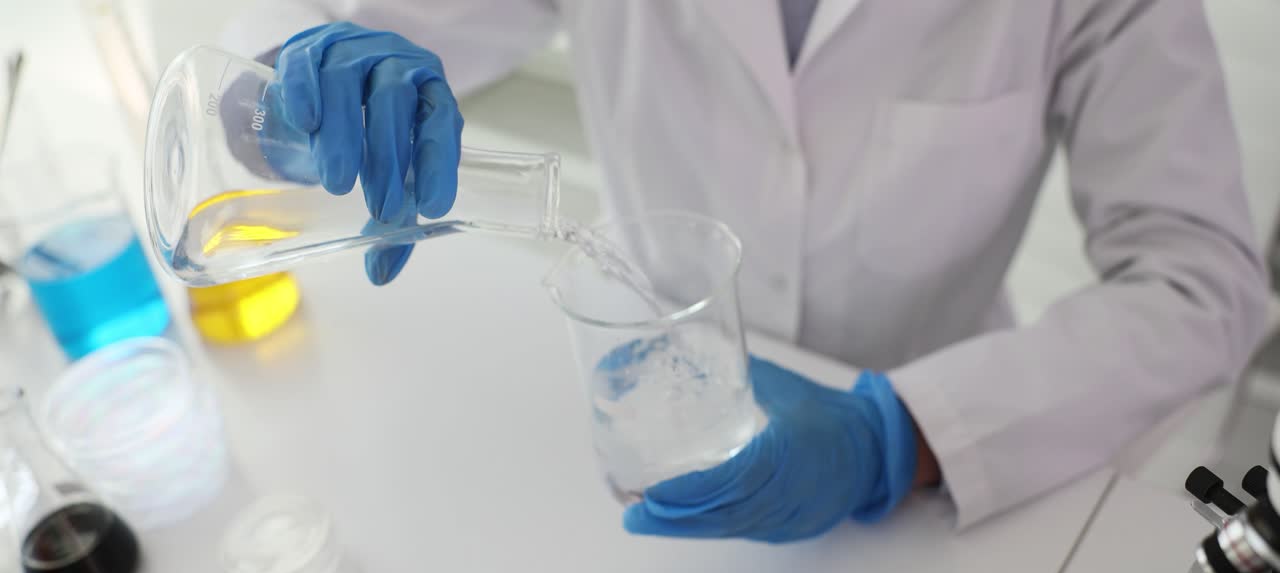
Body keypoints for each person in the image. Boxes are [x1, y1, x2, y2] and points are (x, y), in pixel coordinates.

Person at [224, 0, 1268, 541]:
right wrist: (294, 93)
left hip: (951, 452)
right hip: (643, 411)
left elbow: (1198, 278)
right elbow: (289, 31)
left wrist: (895, 437)